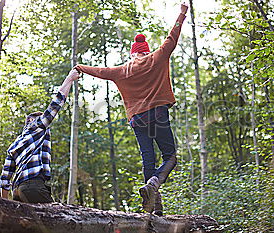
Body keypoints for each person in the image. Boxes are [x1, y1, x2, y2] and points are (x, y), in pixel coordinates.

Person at [74, 2, 189, 215]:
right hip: (158, 114)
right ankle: (154, 184)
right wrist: (181, 14)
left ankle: (154, 205)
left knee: (148, 158)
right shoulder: (157, 57)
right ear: (145, 51)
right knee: (170, 156)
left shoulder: (122, 70)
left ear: (133, 54)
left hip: (137, 120)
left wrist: (80, 68)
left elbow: (101, 71)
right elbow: (172, 38)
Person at [0, 69, 80, 203]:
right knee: (57, 220)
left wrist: (5, 205)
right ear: (32, 120)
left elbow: (5, 178)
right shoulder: (37, 126)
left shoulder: (15, 144)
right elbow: (56, 104)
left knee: (31, 224)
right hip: (33, 187)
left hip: (17, 192)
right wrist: (69, 79)